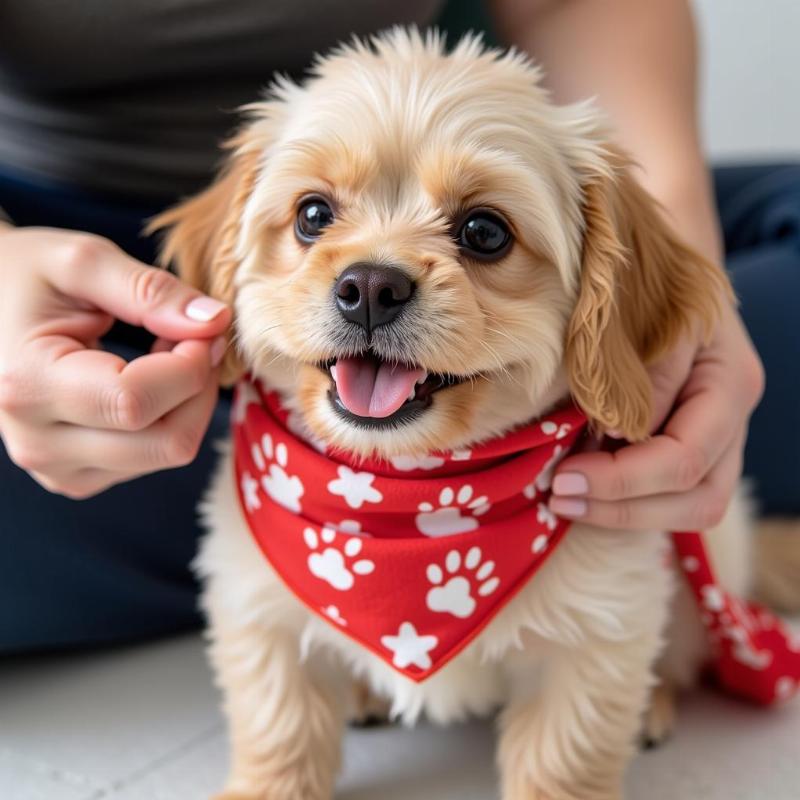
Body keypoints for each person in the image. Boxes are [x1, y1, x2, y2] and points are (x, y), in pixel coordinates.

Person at [0, 0, 793, 653]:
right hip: (56, 247)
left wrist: (675, 295)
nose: (373, 284)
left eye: (480, 234)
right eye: (319, 216)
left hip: (520, 145)